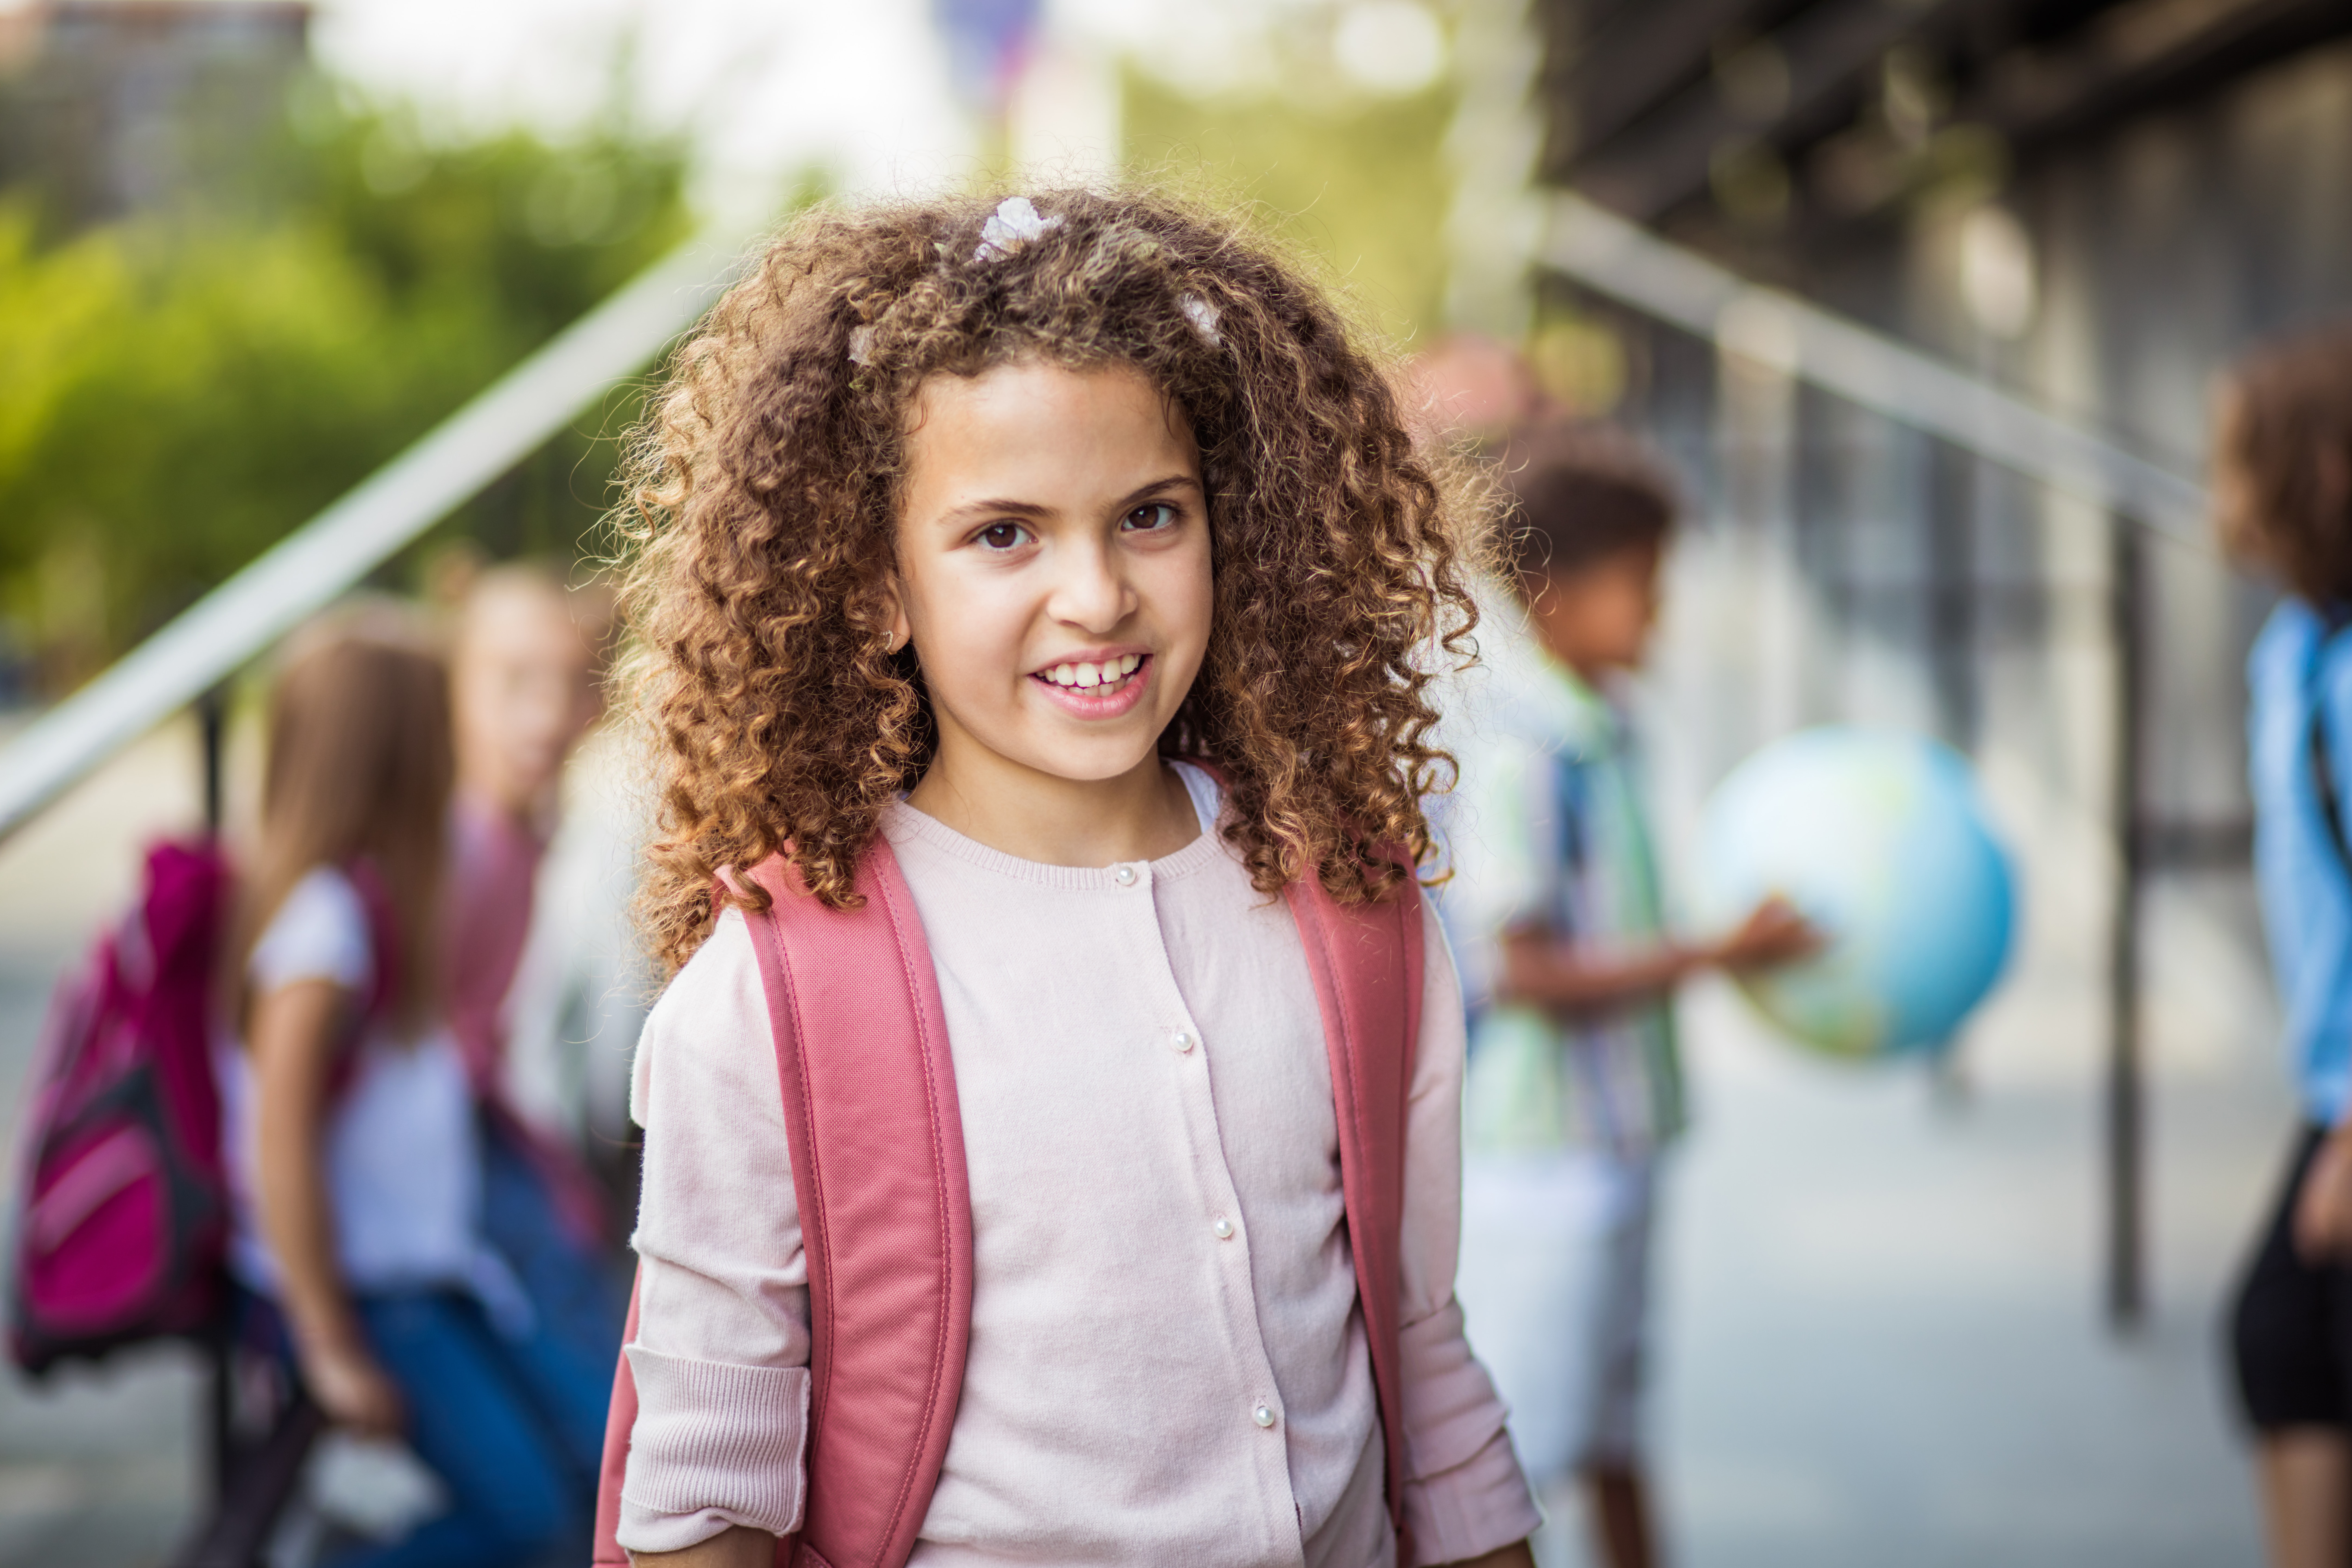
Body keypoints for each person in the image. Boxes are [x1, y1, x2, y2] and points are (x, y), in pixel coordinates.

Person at [611, 189, 1542, 1567]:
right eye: (1004, 534)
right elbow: (706, 1484)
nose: (1096, 594)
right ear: (873, 586)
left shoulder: (1357, 914)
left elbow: (1422, 1359)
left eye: (1149, 516)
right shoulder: (772, 993)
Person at [1438, 420, 1813, 1568]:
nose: (1660, 613)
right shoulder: (1530, 751)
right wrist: (1713, 955)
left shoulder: (1606, 726)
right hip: (1548, 1165)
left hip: (1619, 1141)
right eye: (1643, 585)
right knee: (1529, 1449)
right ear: (1555, 595)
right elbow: (1523, 965)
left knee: (1614, 1421)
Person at [217, 614, 611, 1568]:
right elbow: (280, 1148)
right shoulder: (322, 932)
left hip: (427, 1276)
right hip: (374, 1296)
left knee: (571, 1488)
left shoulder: (372, 903)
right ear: (396, 752)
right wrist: (328, 1344)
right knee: (531, 1521)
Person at [2219, 325, 2352, 1568]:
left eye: (2238, 465)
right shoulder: (2298, 645)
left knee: (2290, 1339)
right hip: (2331, 1078)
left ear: (2319, 476)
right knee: (2279, 1340)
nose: (2222, 500)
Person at [442, 565, 631, 1418]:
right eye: (515, 682)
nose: (550, 716)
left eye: (569, 685)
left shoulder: (539, 835)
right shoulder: (457, 851)